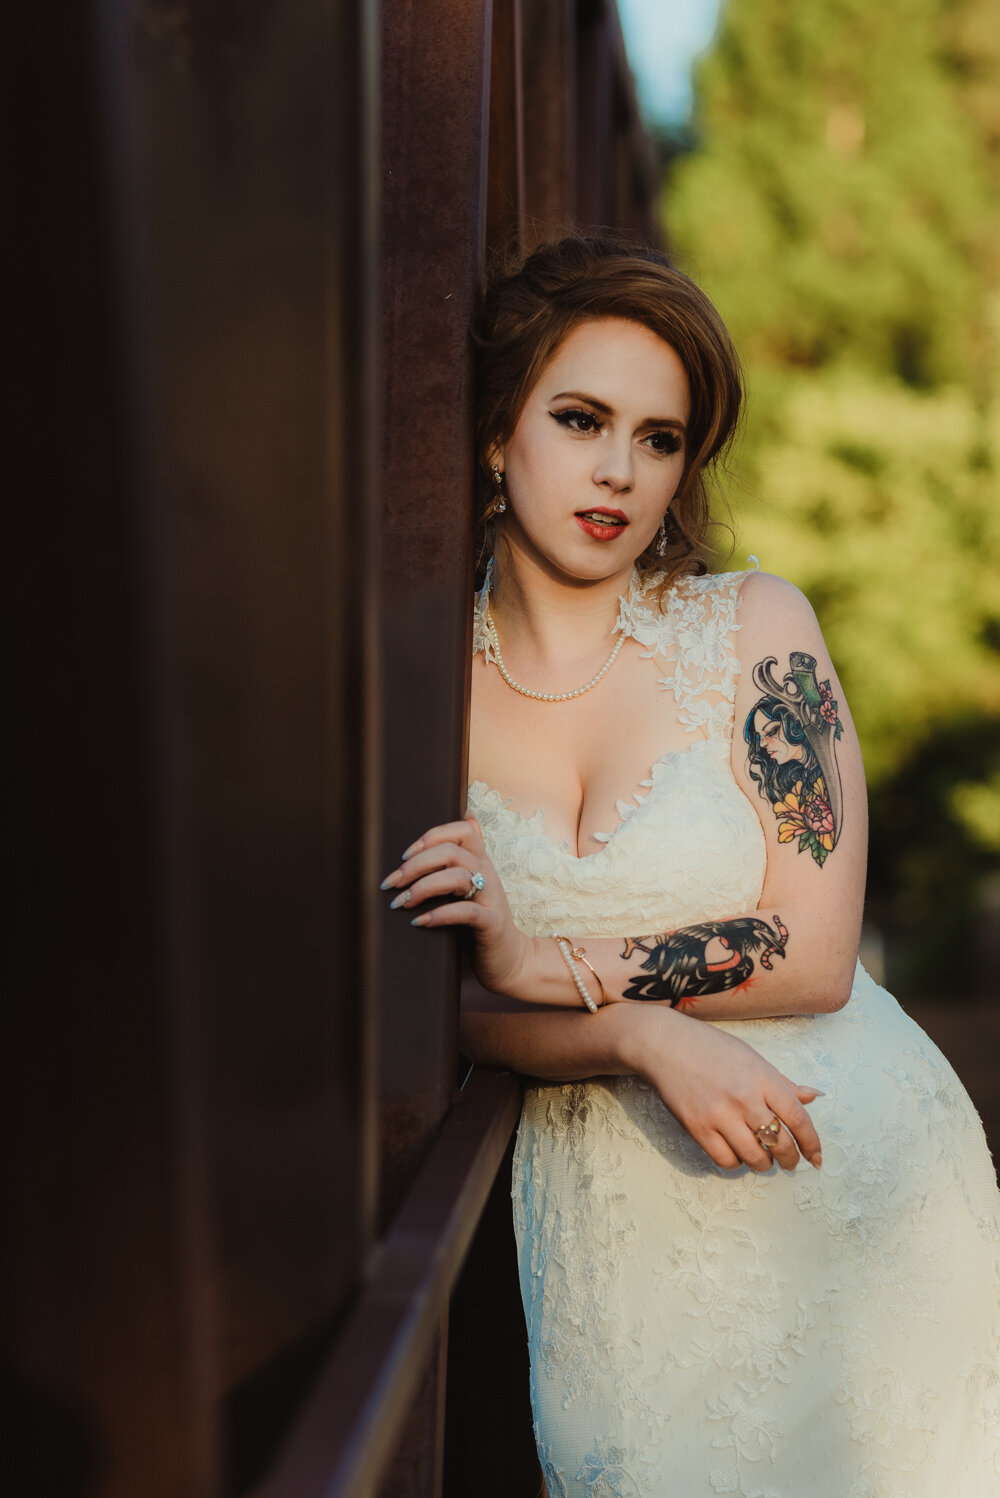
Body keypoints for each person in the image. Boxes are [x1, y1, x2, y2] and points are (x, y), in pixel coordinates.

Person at [380, 237, 1000, 1495]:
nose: (619, 468)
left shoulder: (754, 628)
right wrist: (638, 1038)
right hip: (624, 1229)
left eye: (659, 438)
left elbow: (816, 952)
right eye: (580, 418)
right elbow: (431, 1010)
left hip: (861, 1190)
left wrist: (538, 960)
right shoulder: (409, 694)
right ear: (497, 436)